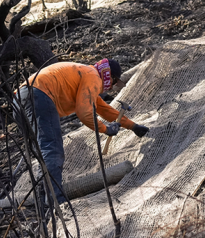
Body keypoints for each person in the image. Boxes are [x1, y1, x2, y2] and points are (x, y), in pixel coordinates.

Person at [14, 58, 149, 205]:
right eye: (114, 81)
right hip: (39, 96)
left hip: (20, 98)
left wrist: (133, 126)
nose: (112, 87)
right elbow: (84, 112)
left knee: (42, 152)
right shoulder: (93, 76)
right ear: (108, 74)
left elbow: (103, 109)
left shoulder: (86, 73)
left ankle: (43, 199)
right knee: (52, 150)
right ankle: (55, 201)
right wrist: (106, 129)